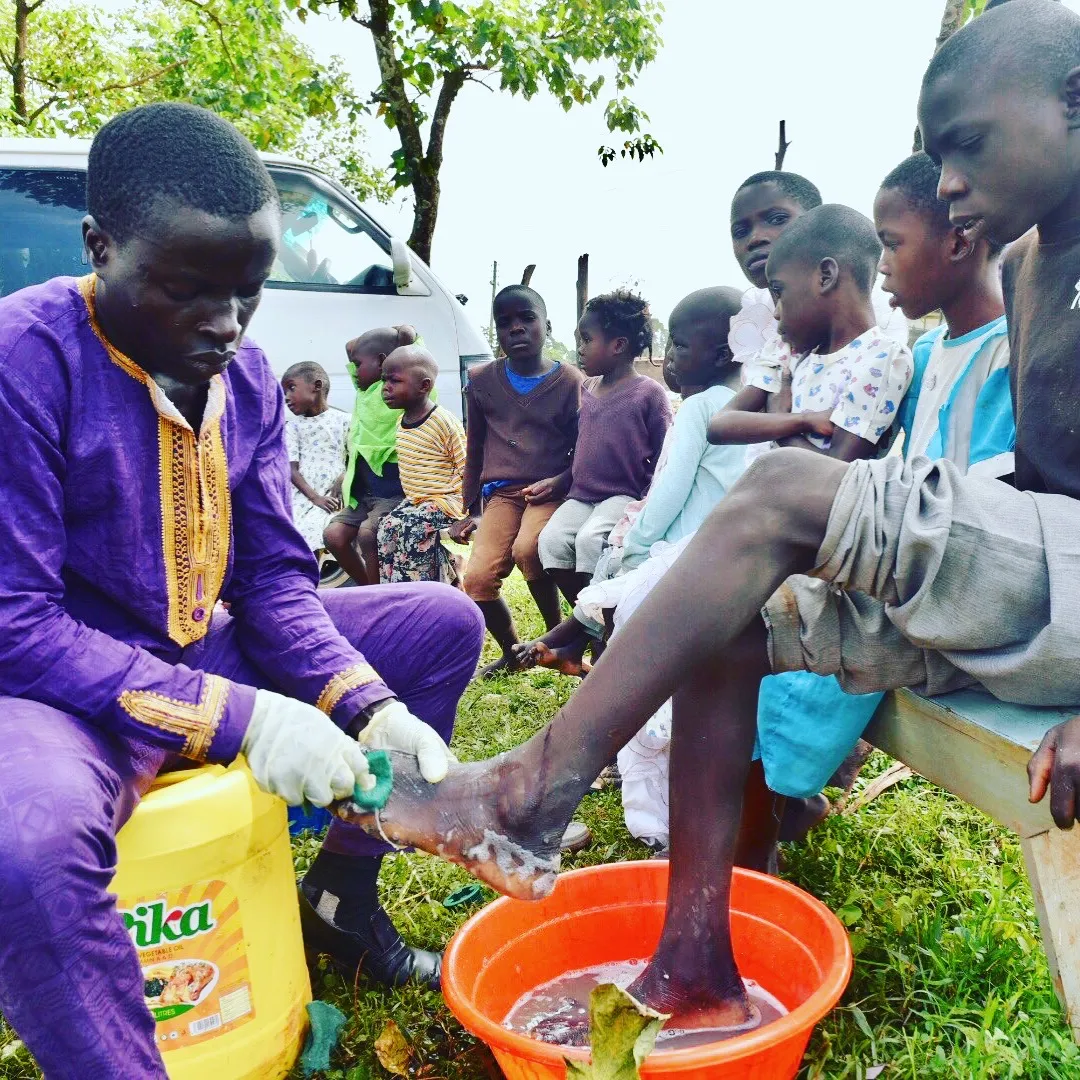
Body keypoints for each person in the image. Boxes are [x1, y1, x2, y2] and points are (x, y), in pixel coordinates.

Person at [332, 0, 1080, 1033]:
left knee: (779, 492)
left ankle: (534, 791)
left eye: (968, 144)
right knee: (728, 608)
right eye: (936, 152)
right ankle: (697, 963)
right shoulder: (1039, 265)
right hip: (1028, 587)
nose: (947, 179)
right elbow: (1039, 488)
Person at [0, 103, 484, 1078]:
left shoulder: (251, 380)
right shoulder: (24, 358)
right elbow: (17, 628)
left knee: (439, 624)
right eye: (188, 292)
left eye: (248, 296)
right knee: (28, 843)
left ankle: (341, 902)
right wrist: (247, 721)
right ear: (101, 247)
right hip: (55, 688)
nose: (224, 326)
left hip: (192, 644)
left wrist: (364, 705)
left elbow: (268, 578)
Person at [514, 288, 747, 678]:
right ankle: (574, 639)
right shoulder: (746, 406)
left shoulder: (695, 407)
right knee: (581, 555)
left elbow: (671, 485)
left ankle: (591, 655)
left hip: (676, 543)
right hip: (708, 541)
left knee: (613, 564)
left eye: (680, 344)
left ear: (721, 355)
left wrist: (638, 542)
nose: (668, 353)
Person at [450, 285, 583, 677]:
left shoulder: (570, 382)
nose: (517, 329)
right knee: (476, 580)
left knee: (530, 549)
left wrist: (560, 482)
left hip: (549, 489)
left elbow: (585, 449)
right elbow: (475, 448)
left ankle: (554, 640)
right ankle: (515, 655)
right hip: (502, 495)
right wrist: (470, 509)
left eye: (527, 318)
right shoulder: (481, 381)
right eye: (505, 322)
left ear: (548, 325)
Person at [877, 153, 1015, 477]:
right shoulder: (924, 352)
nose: (882, 266)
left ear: (957, 245)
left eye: (892, 245)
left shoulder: (1013, 353)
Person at [537, 290, 672, 607]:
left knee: (590, 541)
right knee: (551, 542)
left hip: (623, 494)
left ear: (618, 346)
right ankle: (585, 615)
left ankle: (602, 619)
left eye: (586, 340)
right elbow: (583, 445)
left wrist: (650, 500)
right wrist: (562, 479)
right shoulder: (587, 388)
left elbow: (666, 452)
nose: (579, 349)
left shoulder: (649, 394)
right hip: (581, 495)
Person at [322, 326, 412, 585]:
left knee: (367, 534)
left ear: (384, 362)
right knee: (334, 536)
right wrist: (365, 353)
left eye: (358, 364)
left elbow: (410, 339)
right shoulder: (363, 390)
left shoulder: (398, 388)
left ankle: (377, 595)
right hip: (363, 493)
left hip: (391, 491)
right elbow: (351, 347)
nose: (353, 369)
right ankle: (368, 587)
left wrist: (398, 339)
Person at [376, 345, 467, 582]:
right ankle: (395, 590)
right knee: (386, 527)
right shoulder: (400, 421)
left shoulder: (443, 422)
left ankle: (423, 589)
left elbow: (468, 468)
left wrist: (471, 513)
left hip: (447, 501)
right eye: (384, 381)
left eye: (394, 381)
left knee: (411, 528)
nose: (385, 388)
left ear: (424, 386)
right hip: (418, 501)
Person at [282, 360, 350, 551]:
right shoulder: (293, 427)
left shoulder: (345, 420)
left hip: (335, 492)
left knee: (327, 528)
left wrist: (344, 476)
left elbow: (357, 456)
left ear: (317, 386)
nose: (287, 397)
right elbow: (291, 468)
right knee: (296, 532)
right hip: (304, 493)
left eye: (291, 388)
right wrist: (315, 498)